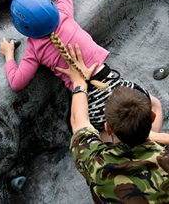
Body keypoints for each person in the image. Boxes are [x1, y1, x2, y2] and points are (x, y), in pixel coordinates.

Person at [1, 0, 167, 143]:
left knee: (104, 134)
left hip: (89, 101)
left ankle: (118, 146)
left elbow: (16, 82)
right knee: (154, 104)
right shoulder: (64, 14)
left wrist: (9, 56)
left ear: (24, 29)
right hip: (114, 85)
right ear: (50, 7)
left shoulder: (33, 50)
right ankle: (149, 140)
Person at [56, 44, 169, 203]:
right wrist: (153, 136)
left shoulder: (97, 164)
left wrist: (79, 83)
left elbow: (78, 123)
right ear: (151, 117)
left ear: (108, 127)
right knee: (156, 102)